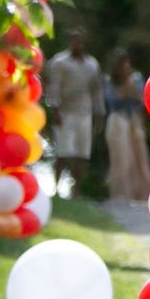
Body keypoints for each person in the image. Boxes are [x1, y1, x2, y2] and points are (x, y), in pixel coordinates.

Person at [45, 30, 103, 197]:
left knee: (82, 154)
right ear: (70, 43)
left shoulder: (92, 64)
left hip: (85, 112)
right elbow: (54, 88)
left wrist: (99, 114)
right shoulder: (60, 62)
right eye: (75, 42)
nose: (78, 45)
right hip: (65, 112)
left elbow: (96, 92)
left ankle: (76, 191)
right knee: (63, 152)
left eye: (80, 42)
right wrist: (55, 110)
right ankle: (56, 189)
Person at [104, 50, 150, 203]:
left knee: (140, 157)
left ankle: (142, 195)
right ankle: (121, 195)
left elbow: (142, 99)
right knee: (121, 157)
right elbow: (112, 100)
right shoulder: (108, 80)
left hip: (134, 119)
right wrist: (126, 91)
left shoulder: (136, 78)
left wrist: (128, 92)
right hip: (118, 119)